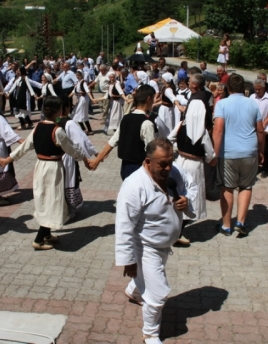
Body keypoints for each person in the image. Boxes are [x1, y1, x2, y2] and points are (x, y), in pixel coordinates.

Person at [115, 138, 197, 344]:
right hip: (145, 246)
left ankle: (134, 290)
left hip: (163, 245)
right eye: (162, 164)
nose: (168, 168)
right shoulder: (134, 185)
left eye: (170, 161)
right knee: (159, 294)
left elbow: (192, 185)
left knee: (150, 280)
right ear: (148, 161)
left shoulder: (174, 173)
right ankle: (150, 334)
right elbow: (124, 225)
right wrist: (129, 259)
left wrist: (186, 200)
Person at [0, 96, 93, 250]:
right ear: (58, 111)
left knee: (46, 199)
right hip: (53, 169)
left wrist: (8, 159)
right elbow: (72, 149)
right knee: (52, 201)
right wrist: (85, 159)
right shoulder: (58, 130)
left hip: (40, 166)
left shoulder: (38, 127)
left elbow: (24, 147)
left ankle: (47, 234)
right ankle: (39, 239)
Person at [212, 74, 264, 236]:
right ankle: (241, 221)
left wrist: (215, 153)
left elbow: (218, 129)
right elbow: (260, 130)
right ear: (244, 88)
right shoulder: (253, 104)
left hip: (228, 153)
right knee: (246, 186)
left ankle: (226, 225)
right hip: (249, 151)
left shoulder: (222, 104)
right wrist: (261, 150)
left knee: (227, 188)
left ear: (228, 88)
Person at [168, 100, 216, 245]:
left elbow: (170, 138)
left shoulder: (181, 125)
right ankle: (178, 231)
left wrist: (179, 148)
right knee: (190, 195)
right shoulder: (203, 132)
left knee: (178, 193)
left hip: (180, 162)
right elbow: (210, 154)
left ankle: (175, 227)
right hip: (195, 166)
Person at [91, 85, 156, 180]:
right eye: (153, 99)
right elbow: (151, 152)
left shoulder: (125, 118)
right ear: (149, 99)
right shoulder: (147, 123)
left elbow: (112, 142)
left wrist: (96, 160)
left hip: (125, 168)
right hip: (140, 168)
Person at [57, 97, 97, 217]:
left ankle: (60, 209)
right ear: (67, 108)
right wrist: (90, 155)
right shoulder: (69, 123)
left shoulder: (54, 121)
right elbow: (80, 140)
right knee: (68, 181)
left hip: (55, 158)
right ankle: (70, 209)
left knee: (59, 183)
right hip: (68, 158)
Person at [250, 79, 268, 177]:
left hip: (266, 128)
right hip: (253, 127)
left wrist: (264, 123)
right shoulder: (252, 97)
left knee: (266, 149)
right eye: (256, 89)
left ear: (264, 88)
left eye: (259, 90)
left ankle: (266, 168)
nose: (257, 91)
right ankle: (255, 167)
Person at [69, 70, 96, 135]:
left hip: (83, 99)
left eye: (79, 75)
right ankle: (87, 129)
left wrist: (92, 98)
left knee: (79, 114)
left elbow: (87, 90)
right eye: (77, 75)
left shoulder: (83, 82)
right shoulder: (77, 83)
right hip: (79, 99)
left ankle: (86, 129)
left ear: (81, 75)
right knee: (78, 114)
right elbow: (73, 92)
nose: (77, 76)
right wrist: (67, 97)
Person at [155, 72, 177, 138]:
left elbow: (173, 99)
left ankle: (166, 137)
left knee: (166, 124)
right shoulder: (165, 88)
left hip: (166, 110)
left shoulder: (168, 90)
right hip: (164, 109)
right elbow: (163, 97)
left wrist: (159, 102)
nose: (162, 81)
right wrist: (158, 100)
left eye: (162, 79)